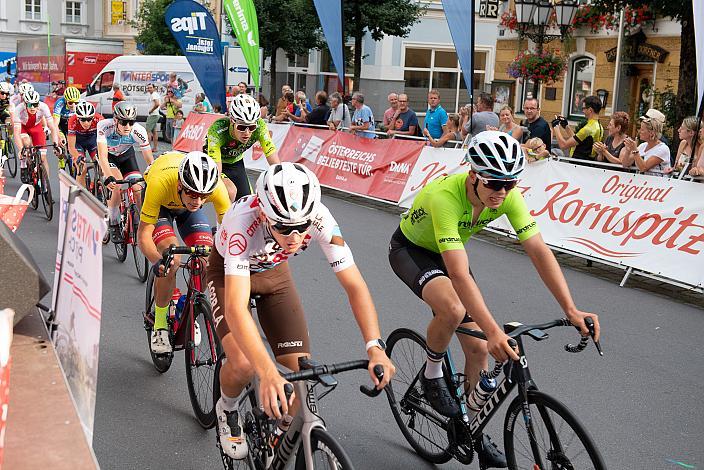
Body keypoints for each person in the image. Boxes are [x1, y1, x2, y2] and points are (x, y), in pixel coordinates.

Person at [387, 130, 600, 469]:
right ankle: (430, 373)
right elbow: (458, 274)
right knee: (454, 309)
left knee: (479, 349)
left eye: (510, 184)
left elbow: (539, 251)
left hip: (449, 254)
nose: (502, 192)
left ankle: (472, 429)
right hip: (412, 251)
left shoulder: (507, 196)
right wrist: (494, 331)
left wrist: (570, 308)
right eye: (494, 183)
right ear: (473, 175)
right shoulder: (445, 196)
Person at [206, 162, 395, 459]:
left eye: (301, 228)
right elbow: (235, 309)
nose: (294, 237)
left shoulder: (319, 217)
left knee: (303, 375)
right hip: (228, 274)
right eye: (283, 227)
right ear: (265, 215)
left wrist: (375, 346)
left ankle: (279, 435)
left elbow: (355, 286)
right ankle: (227, 408)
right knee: (244, 363)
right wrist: (267, 371)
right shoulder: (243, 222)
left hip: (274, 273)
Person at [138, 151, 229, 354]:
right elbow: (143, 236)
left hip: (186, 212)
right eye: (193, 194)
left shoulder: (214, 189)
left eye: (204, 196)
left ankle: (187, 308)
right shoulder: (160, 183)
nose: (198, 200)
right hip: (161, 205)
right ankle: (160, 325)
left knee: (207, 260)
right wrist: (156, 262)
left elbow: (230, 234)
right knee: (172, 259)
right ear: (180, 185)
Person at [96, 102, 154, 243]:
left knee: (138, 188)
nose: (127, 126)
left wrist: (153, 171)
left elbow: (148, 157)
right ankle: (114, 223)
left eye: (131, 122)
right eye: (124, 122)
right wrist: (108, 176)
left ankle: (143, 223)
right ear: (116, 120)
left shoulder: (138, 131)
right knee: (116, 186)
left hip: (127, 156)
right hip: (109, 157)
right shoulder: (104, 126)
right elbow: (102, 156)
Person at [205, 94, 280, 202]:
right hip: (216, 162)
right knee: (230, 192)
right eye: (241, 127)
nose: (247, 132)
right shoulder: (218, 130)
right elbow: (216, 171)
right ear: (232, 121)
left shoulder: (260, 126)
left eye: (251, 127)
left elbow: (272, 155)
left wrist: (282, 175)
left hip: (236, 161)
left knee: (247, 202)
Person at [13, 90, 61, 183]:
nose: (33, 107)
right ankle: (23, 163)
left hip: (36, 127)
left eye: (35, 104)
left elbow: (53, 126)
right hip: (23, 127)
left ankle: (46, 184)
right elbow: (16, 132)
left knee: (43, 158)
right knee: (26, 142)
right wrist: (20, 150)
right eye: (30, 105)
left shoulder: (43, 107)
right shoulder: (19, 109)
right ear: (25, 104)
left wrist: (56, 144)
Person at [552, 95, 604, 160]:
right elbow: (578, 140)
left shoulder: (588, 128)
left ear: (590, 110)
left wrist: (556, 127)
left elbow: (563, 145)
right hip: (588, 163)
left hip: (578, 164)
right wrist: (566, 126)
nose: (583, 111)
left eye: (583, 108)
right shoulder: (599, 126)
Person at [68, 101, 104, 189]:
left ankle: (97, 186)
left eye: (89, 119)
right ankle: (81, 197)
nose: (86, 122)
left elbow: (105, 142)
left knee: (102, 165)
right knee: (82, 169)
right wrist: (77, 157)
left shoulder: (99, 119)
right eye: (83, 119)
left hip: (93, 141)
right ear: (78, 118)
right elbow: (71, 147)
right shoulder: (72, 120)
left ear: (93, 117)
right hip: (78, 143)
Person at [52, 86, 78, 168]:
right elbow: (55, 124)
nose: (73, 105)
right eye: (70, 103)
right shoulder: (60, 103)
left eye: (76, 103)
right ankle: (60, 159)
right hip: (61, 124)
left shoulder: (81, 103)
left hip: (72, 124)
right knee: (60, 144)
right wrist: (59, 137)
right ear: (66, 100)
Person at [145, 83, 161, 152]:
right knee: (154, 132)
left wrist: (151, 111)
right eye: (148, 88)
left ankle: (147, 149)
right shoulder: (154, 94)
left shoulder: (154, 95)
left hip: (153, 115)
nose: (149, 89)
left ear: (154, 88)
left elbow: (157, 104)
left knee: (148, 131)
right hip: (155, 114)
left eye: (150, 87)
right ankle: (155, 148)